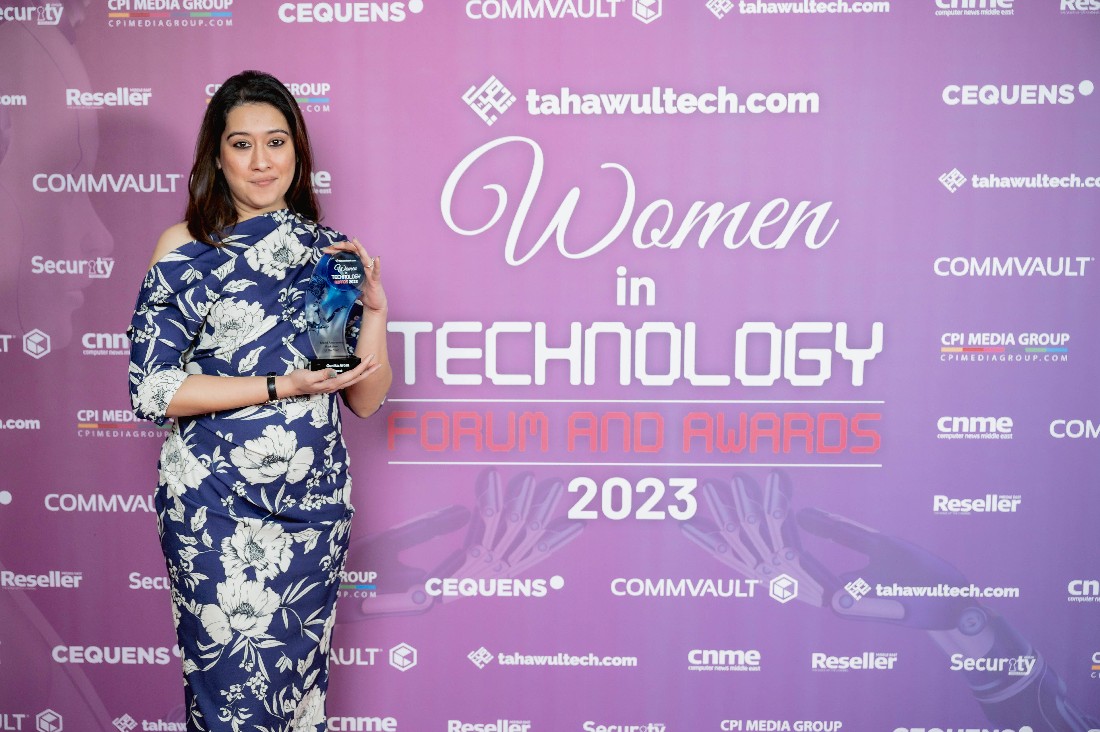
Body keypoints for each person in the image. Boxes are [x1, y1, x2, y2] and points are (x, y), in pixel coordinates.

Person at [127, 70, 391, 732]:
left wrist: (377, 315)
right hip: (212, 505)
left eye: (276, 142)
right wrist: (280, 386)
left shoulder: (328, 254)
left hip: (310, 510)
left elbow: (360, 396)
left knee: (294, 698)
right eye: (241, 144)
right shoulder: (184, 247)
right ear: (216, 155)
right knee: (229, 694)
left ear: (298, 151)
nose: (261, 160)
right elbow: (152, 388)